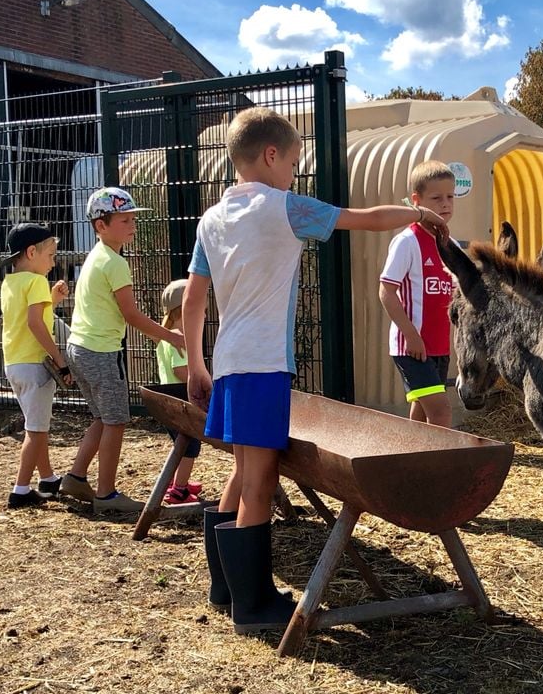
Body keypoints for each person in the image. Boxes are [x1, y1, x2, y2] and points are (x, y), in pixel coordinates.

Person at [183, 106, 449, 632]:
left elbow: (194, 297)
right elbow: (366, 219)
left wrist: (195, 363)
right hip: (263, 365)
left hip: (229, 360)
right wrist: (419, 217)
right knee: (258, 480)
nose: (295, 172)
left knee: (240, 469)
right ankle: (254, 605)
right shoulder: (282, 206)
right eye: (295, 161)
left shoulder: (212, 218)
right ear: (271, 154)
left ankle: (226, 587)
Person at [59, 187, 185, 514]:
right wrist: (170, 337)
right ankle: (106, 495)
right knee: (115, 421)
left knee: (102, 418)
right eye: (124, 220)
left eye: (133, 219)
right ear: (101, 225)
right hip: (100, 352)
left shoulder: (97, 257)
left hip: (79, 348)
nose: (132, 225)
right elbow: (131, 314)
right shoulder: (114, 263)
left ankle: (75, 477)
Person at [379, 161, 457, 428]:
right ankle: (441, 469)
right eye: (436, 198)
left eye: (450, 197)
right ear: (417, 200)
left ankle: (412, 465)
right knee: (441, 411)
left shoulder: (451, 245)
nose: (445, 204)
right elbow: (386, 291)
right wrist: (411, 335)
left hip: (440, 346)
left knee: (423, 413)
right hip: (412, 348)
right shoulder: (407, 241)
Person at [0, 223, 70, 509]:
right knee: (37, 429)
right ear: (32, 252)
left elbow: (30, 317)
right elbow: (36, 324)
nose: (53, 262)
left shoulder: (10, 282)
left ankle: (48, 478)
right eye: (51, 256)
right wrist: (60, 359)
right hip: (35, 365)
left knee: (36, 423)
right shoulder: (36, 282)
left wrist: (51, 300)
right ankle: (20, 489)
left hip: (14, 364)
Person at [155, 278, 203, 505]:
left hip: (167, 402)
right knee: (190, 448)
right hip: (181, 400)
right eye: (200, 310)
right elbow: (181, 369)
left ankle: (175, 483)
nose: (203, 316)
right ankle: (179, 491)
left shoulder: (165, 336)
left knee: (180, 447)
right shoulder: (178, 338)